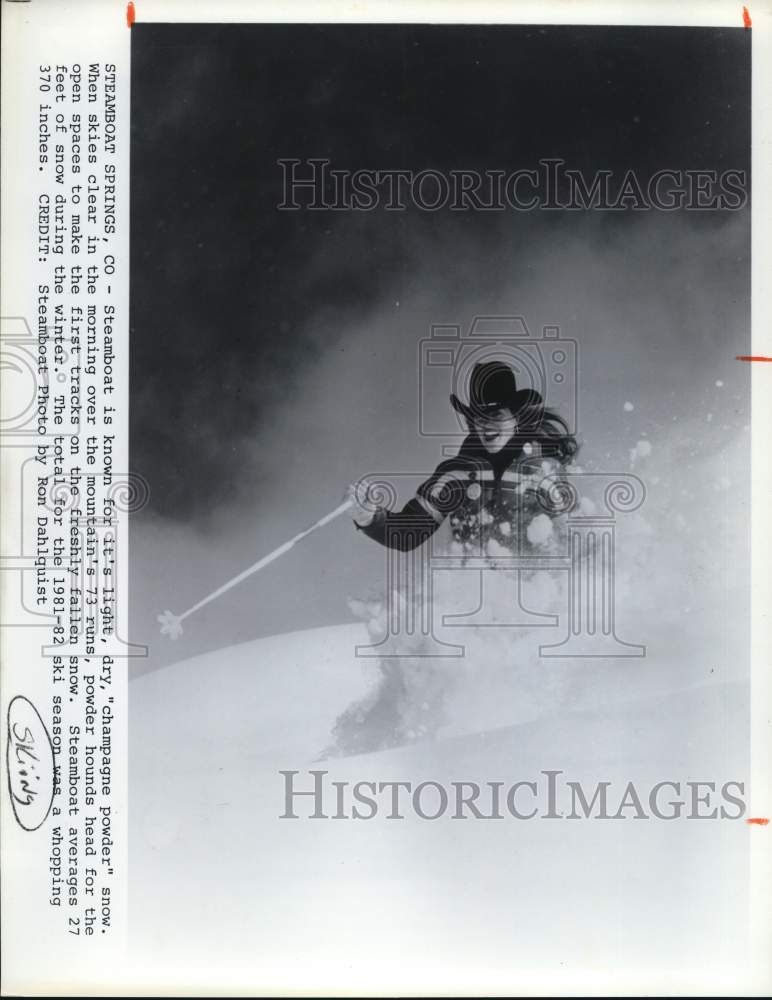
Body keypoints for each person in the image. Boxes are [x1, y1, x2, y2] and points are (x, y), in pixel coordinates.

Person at [348, 361, 578, 553]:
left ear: (515, 418)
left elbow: (572, 542)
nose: (485, 424)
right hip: (474, 591)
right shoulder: (457, 474)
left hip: (538, 594)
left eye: (495, 414)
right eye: (477, 417)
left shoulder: (543, 468)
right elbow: (408, 534)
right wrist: (370, 517)